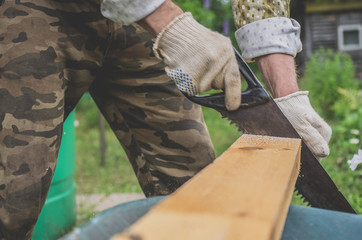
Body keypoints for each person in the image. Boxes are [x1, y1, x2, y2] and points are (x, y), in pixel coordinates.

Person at [0, 0, 331, 239]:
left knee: (195, 192)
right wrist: (172, 25)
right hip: (40, 11)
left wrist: (285, 95)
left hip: (144, 23)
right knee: (12, 201)